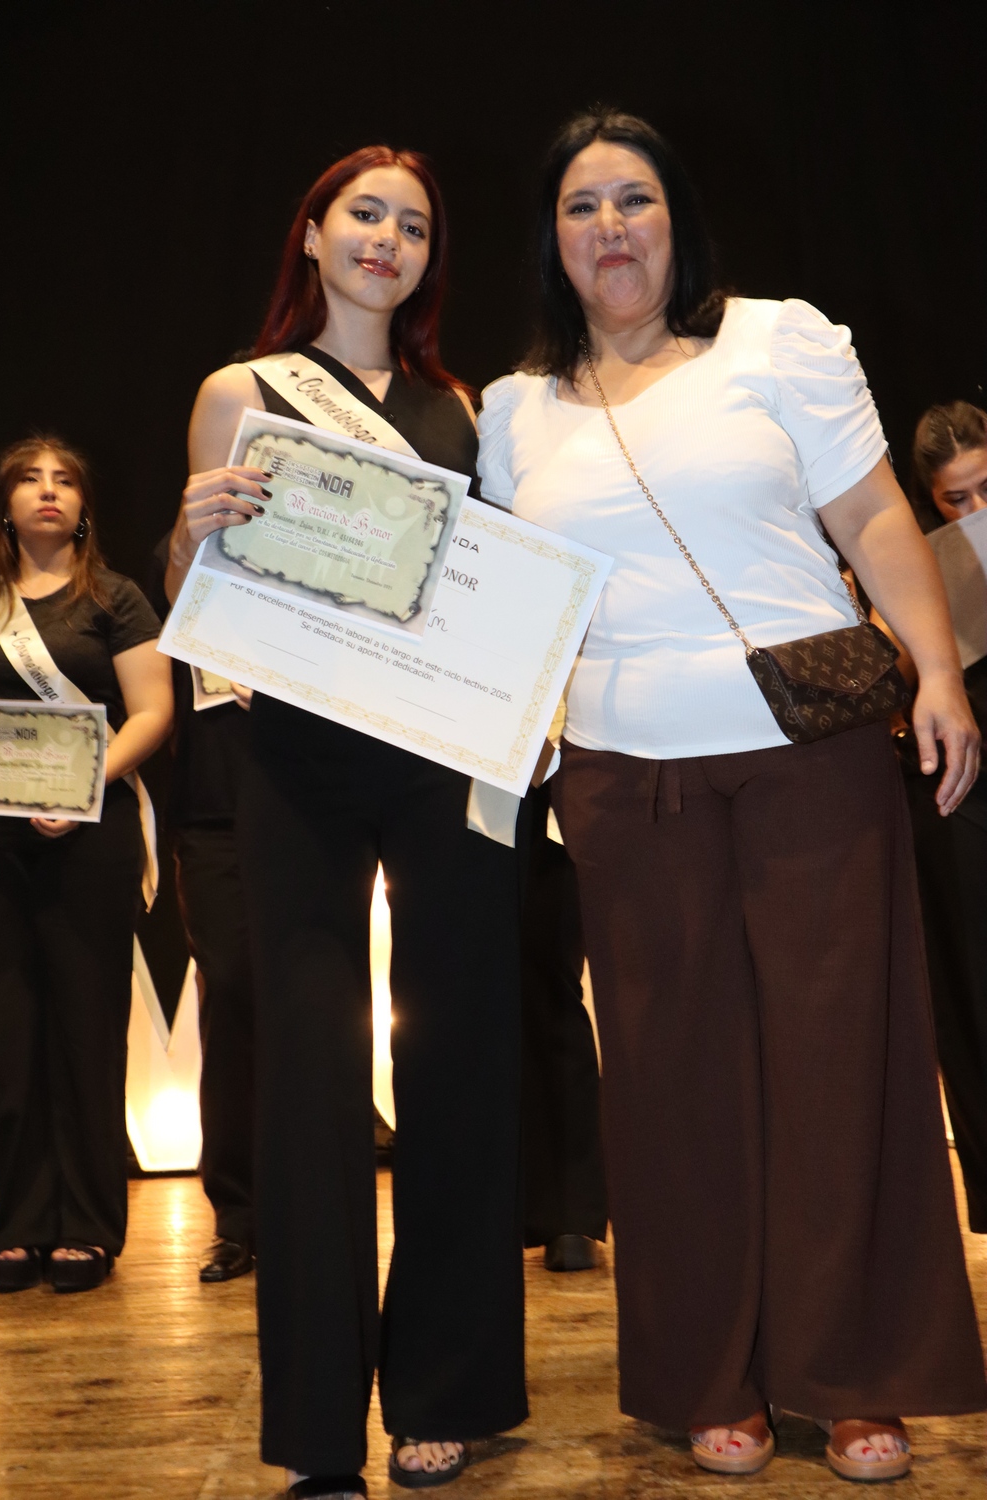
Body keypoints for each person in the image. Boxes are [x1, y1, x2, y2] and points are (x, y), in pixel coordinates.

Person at [477, 108, 987, 1483]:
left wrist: (939, 675)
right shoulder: (517, 411)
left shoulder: (780, 343)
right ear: (552, 242)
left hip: (811, 761)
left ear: (677, 220)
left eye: (633, 199)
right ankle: (714, 1376)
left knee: (840, 1065)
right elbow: (511, 606)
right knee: (672, 1086)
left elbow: (873, 518)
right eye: (581, 207)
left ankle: (852, 1375)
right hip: (622, 781)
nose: (610, 228)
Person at [166, 148, 527, 1499]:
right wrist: (189, 531)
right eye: (365, 214)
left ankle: (447, 1393)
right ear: (312, 234)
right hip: (295, 759)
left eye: (414, 225)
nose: (388, 239)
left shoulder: (460, 408)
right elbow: (199, 590)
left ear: (431, 258)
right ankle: (318, 1430)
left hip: (442, 756)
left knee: (457, 1063)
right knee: (309, 1083)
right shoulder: (240, 391)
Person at [0, 437, 172, 1293]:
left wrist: (83, 783)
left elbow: (152, 712)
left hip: (91, 834)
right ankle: (18, 1223)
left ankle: (89, 1225)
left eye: (65, 480)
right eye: (30, 480)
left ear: (85, 506)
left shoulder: (117, 598)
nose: (48, 492)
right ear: (5, 505)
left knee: (88, 1029)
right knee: (6, 1035)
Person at [883, 402, 987, 1235]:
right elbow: (889, 668)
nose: (976, 511)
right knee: (972, 992)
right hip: (962, 792)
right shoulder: (917, 562)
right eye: (957, 500)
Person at [147, 536, 255, 1283]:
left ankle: (312, 1208)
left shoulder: (330, 548)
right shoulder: (191, 545)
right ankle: (239, 1217)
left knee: (314, 1009)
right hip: (214, 816)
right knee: (234, 999)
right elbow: (175, 570)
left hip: (314, 814)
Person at [520, 781, 607, 1270]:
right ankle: (558, 1212)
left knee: (547, 977)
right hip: (455, 764)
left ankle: (568, 1211)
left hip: (545, 772)